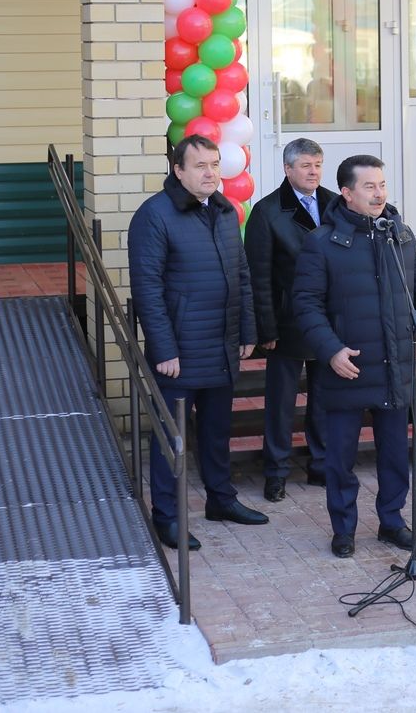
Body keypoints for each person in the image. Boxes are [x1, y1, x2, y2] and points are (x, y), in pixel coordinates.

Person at [293, 155, 416, 558]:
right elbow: (306, 305)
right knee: (341, 458)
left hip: (395, 365)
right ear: (346, 193)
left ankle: (392, 522)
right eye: (369, 186)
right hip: (347, 369)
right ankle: (342, 528)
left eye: (382, 185)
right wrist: (330, 350)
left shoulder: (400, 234)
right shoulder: (321, 243)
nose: (379, 193)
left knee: (396, 454)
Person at [128, 134, 267, 551]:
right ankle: (167, 518)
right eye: (200, 166)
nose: (210, 172)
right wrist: (164, 348)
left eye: (214, 164)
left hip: (222, 344)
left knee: (216, 431)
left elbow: (241, 275)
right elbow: (147, 288)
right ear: (179, 171)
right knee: (172, 438)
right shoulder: (154, 216)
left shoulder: (225, 211)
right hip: (180, 352)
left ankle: (221, 501)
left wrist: (247, 332)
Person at [244, 138, 337, 501]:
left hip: (329, 320)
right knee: (281, 402)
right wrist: (265, 327)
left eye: (318, 164)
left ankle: (321, 465)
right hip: (287, 320)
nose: (313, 171)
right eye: (305, 165)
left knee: (325, 398)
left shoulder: (335, 202)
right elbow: (259, 275)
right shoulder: (268, 212)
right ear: (287, 169)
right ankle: (276, 471)